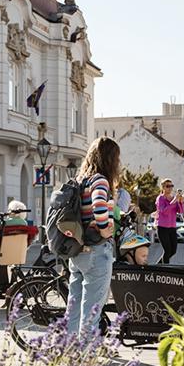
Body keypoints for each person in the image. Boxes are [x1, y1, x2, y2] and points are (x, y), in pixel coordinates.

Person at [64, 137, 120, 338]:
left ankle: (69, 351)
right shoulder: (100, 180)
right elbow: (98, 205)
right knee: (92, 311)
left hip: (78, 251)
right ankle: (86, 359)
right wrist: (105, 229)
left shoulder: (80, 180)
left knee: (75, 307)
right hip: (96, 250)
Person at [154, 178, 183, 264]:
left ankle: (157, 266)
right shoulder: (160, 198)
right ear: (163, 187)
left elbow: (180, 211)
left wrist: (181, 202)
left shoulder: (174, 198)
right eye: (168, 186)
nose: (170, 188)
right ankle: (165, 270)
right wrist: (174, 201)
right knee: (167, 250)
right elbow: (164, 211)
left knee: (173, 250)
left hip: (172, 227)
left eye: (171, 186)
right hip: (162, 227)